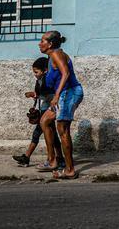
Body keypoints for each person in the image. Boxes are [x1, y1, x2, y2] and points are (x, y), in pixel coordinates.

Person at [37, 30, 83, 180]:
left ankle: (70, 170)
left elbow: (66, 74)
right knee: (44, 121)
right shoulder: (51, 57)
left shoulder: (57, 54)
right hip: (62, 94)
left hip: (68, 93)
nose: (40, 43)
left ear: (50, 44)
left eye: (43, 41)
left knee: (63, 129)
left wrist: (56, 96)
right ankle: (53, 161)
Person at [12, 57, 60, 167]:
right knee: (53, 135)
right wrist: (34, 95)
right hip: (44, 108)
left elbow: (45, 92)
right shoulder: (39, 80)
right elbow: (41, 94)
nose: (34, 74)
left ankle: (28, 157)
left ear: (45, 70)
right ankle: (59, 157)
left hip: (48, 109)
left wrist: (34, 94)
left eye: (36, 72)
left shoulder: (47, 80)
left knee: (38, 133)